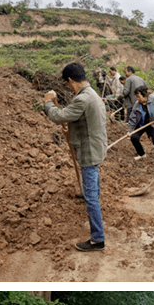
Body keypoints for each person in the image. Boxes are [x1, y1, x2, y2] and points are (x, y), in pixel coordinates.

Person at [43, 62, 107, 252]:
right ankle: (93, 199)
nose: (69, 87)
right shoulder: (91, 94)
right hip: (95, 148)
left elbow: (58, 116)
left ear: (70, 80)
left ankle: (97, 239)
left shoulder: (83, 99)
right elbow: (71, 116)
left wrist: (47, 102)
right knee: (92, 187)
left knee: (91, 197)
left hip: (89, 151)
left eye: (68, 84)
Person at [127, 85, 154, 161]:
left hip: (153, 123)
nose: (137, 99)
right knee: (134, 138)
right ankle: (142, 154)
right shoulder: (137, 104)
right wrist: (130, 130)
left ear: (144, 95)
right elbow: (132, 117)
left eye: (139, 96)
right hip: (141, 124)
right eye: (136, 97)